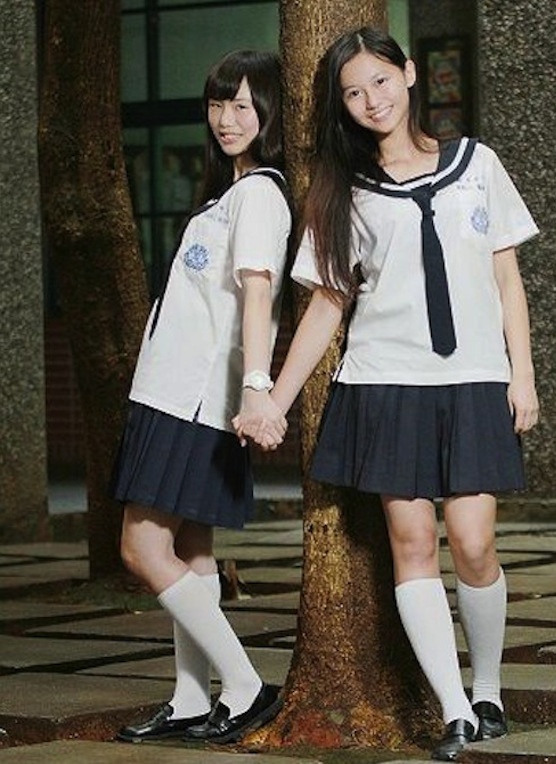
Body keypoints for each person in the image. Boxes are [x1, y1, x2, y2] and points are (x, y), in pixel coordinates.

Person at [234, 27, 539, 762]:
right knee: (413, 544)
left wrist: (522, 374)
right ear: (342, 106)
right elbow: (328, 305)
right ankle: (455, 709)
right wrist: (274, 398)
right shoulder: (345, 190)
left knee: (475, 542)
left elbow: (506, 279)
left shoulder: (477, 164)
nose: (371, 100)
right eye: (353, 93)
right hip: (386, 384)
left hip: (472, 380)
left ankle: (489, 687)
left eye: (379, 81)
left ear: (408, 74)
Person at [111, 49, 291, 744]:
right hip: (174, 393)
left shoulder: (260, 194)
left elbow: (258, 293)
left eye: (243, 105)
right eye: (218, 104)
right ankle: (190, 699)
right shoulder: (228, 194)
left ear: (269, 113)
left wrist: (256, 389)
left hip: (193, 400)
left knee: (140, 547)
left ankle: (243, 684)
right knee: (191, 552)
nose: (227, 118)